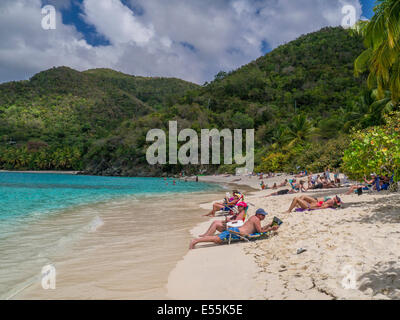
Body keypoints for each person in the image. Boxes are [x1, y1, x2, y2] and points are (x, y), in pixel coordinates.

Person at [189, 209, 279, 249]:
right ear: (259, 215)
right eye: (263, 215)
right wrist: (271, 229)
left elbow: (258, 229)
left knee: (218, 240)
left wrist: (269, 225)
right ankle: (196, 241)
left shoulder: (253, 218)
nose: (264, 216)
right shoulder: (256, 219)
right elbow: (260, 231)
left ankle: (197, 241)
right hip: (236, 233)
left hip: (237, 232)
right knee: (216, 239)